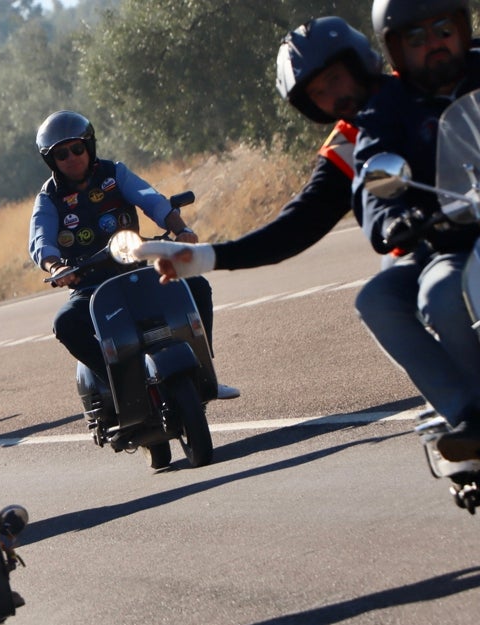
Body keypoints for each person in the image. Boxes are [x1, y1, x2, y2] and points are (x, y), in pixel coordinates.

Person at [140, 16, 387, 281]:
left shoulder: (420, 91)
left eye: (335, 78)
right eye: (318, 94)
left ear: (358, 63)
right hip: (414, 252)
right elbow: (295, 228)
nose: (332, 97)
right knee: (377, 301)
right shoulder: (346, 147)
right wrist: (206, 257)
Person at [28, 110, 240, 401]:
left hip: (137, 270)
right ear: (51, 161)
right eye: (61, 154)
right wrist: (56, 267)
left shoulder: (115, 174)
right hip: (91, 287)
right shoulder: (48, 198)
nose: (72, 157)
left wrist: (182, 230)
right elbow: (40, 239)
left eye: (77, 148)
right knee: (65, 324)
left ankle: (205, 373)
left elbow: (152, 200)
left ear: (88, 146)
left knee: (198, 287)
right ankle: (121, 388)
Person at [350, 0, 480, 462]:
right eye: (417, 38)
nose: (435, 44)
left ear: (463, 28)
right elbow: (371, 172)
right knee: (434, 296)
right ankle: (469, 410)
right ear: (397, 50)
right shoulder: (389, 105)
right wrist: (391, 216)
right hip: (450, 239)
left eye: (443, 28)